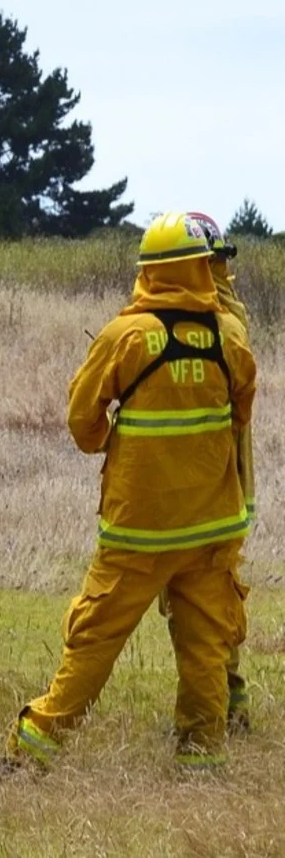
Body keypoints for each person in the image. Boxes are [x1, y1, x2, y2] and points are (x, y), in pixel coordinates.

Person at [5, 212, 256, 771]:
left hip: (138, 532)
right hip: (212, 530)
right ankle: (200, 757)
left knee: (93, 642)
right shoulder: (230, 336)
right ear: (200, 268)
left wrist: (107, 441)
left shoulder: (125, 336)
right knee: (205, 650)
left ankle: (33, 748)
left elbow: (82, 420)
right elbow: (241, 416)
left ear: (149, 271)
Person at [177, 212, 256, 731]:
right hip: (209, 487)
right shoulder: (220, 316)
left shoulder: (224, 322)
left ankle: (226, 702)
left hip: (214, 489)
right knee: (202, 603)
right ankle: (221, 699)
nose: (220, 271)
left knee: (210, 604)